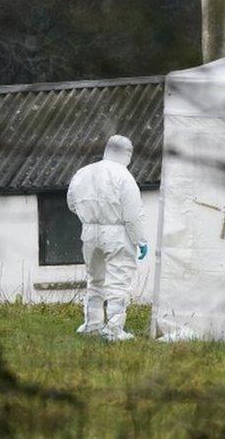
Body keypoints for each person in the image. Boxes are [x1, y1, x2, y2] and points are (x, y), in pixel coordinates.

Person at [67, 135, 148, 341]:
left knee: (95, 280)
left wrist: (90, 217)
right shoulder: (124, 176)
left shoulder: (83, 173)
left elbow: (71, 203)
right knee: (118, 282)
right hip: (117, 234)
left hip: (89, 232)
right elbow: (132, 215)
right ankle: (114, 330)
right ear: (127, 153)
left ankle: (92, 324)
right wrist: (141, 240)